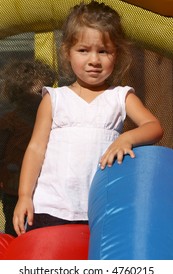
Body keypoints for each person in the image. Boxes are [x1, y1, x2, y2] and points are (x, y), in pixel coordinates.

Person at [13, 1, 163, 236]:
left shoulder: (119, 97)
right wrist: (24, 196)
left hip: (102, 208)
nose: (94, 60)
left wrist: (128, 138)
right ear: (67, 52)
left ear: (117, 54)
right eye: (83, 50)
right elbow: (36, 148)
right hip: (52, 207)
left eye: (103, 51)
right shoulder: (55, 99)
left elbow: (154, 127)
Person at [0, 59, 56, 236]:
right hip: (14, 189)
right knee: (16, 229)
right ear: (20, 93)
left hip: (45, 188)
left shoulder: (53, 121)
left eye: (49, 89)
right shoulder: (9, 121)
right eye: (41, 91)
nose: (46, 95)